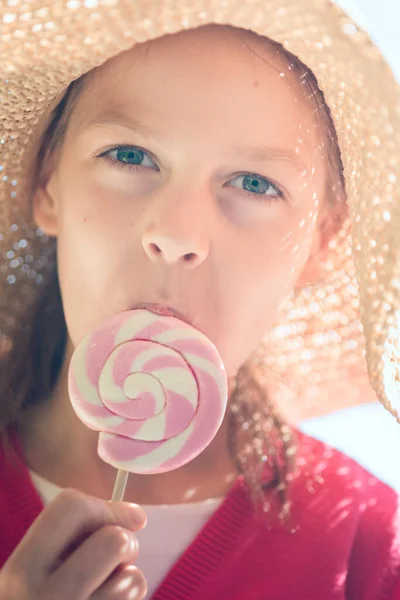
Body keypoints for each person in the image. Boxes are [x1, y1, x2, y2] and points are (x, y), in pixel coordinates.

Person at [0, 1, 399, 599]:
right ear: (48, 184)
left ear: (320, 245)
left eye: (255, 183)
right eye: (130, 155)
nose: (178, 235)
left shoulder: (369, 548)